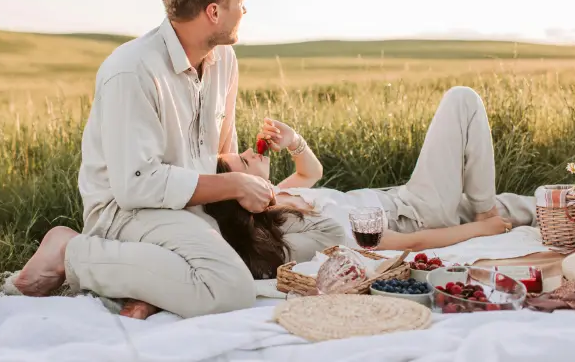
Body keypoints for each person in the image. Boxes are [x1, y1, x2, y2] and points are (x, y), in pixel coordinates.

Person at [11, 0, 344, 320]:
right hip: (128, 211)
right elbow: (136, 185)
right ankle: (69, 251)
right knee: (229, 288)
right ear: (214, 11)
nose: (245, 8)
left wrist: (250, 181)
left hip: (193, 207)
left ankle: (153, 285)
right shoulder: (131, 71)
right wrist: (235, 186)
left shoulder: (224, 61)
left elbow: (220, 153)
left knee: (326, 235)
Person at [212, 86, 537, 253]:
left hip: (403, 198)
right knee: (461, 100)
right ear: (242, 194)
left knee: (529, 206)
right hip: (417, 215)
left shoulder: (279, 195)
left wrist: (294, 140)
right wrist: (482, 229)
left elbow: (311, 172)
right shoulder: (293, 227)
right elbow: (410, 243)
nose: (248, 152)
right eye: (243, 162)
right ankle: (483, 211)